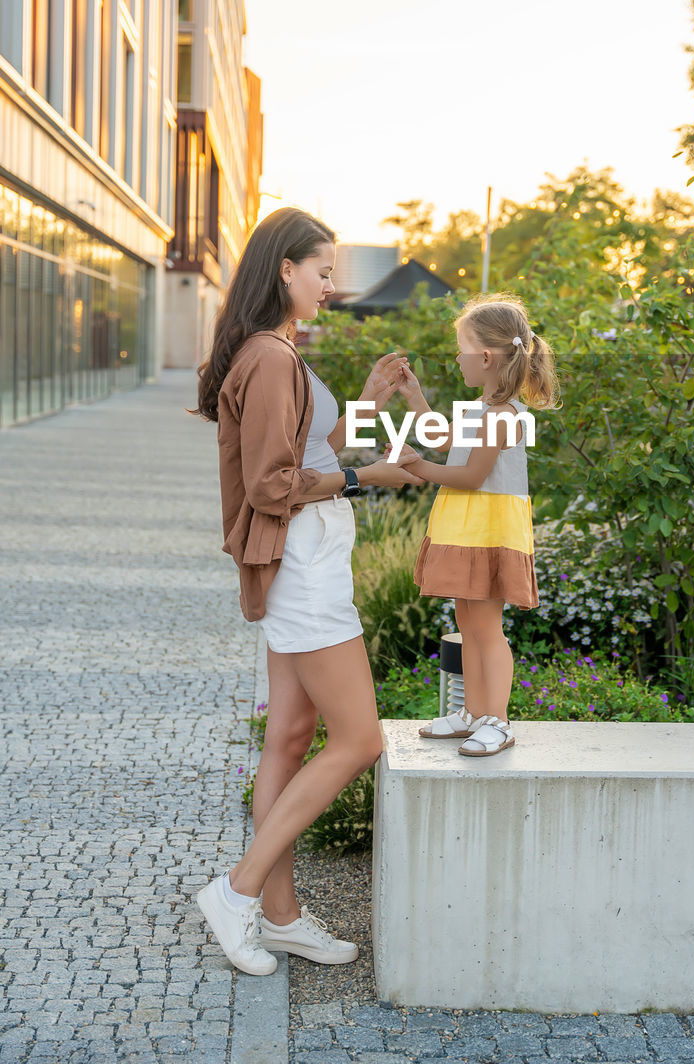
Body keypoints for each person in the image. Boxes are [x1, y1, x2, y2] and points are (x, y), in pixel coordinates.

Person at [193, 207, 421, 976]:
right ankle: (238, 891)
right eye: (322, 271)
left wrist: (370, 398)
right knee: (358, 739)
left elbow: (309, 450)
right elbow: (272, 483)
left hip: (307, 562)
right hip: (306, 571)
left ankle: (281, 917)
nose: (331, 285)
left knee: (290, 740)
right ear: (284, 270)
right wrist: (369, 477)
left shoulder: (281, 353)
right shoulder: (268, 357)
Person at [390, 295, 558, 757]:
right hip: (467, 529)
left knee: (487, 628)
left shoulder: (502, 417)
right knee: (468, 623)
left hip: (487, 532)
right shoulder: (480, 408)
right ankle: (473, 714)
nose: (457, 358)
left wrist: (417, 466)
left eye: (461, 350)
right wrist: (414, 396)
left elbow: (469, 476)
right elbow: (442, 437)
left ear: (485, 357)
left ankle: (497, 721)